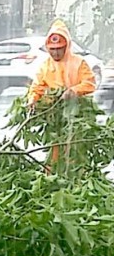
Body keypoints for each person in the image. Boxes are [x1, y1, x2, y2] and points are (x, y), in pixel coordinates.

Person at [27, 19, 96, 164]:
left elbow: (90, 83)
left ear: (67, 47)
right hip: (55, 117)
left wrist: (74, 91)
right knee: (55, 154)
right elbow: (37, 88)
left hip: (78, 117)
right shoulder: (45, 66)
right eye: (52, 49)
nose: (56, 52)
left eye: (59, 48)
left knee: (76, 154)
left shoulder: (79, 63)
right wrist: (32, 100)